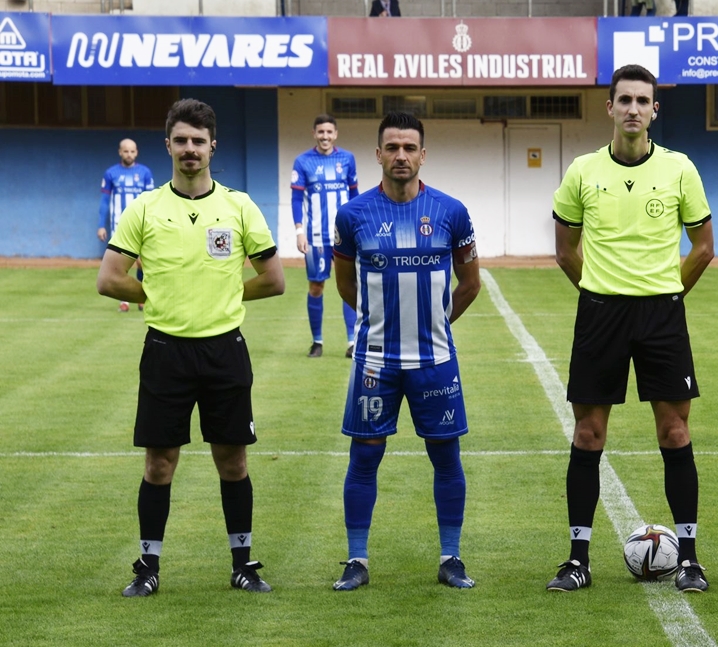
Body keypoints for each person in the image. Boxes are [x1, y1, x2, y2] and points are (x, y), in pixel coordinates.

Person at [97, 98, 286, 597]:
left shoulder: (239, 206)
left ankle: (243, 565)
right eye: (181, 140)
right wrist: (154, 296)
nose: (189, 149)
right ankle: (148, 567)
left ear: (212, 146)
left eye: (198, 141)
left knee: (234, 461)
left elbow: (273, 279)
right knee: (159, 462)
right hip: (166, 352)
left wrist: (222, 294)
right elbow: (110, 279)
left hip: (225, 351)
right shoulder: (145, 208)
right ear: (168, 146)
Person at [548, 64, 715, 593]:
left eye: (643, 101)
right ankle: (578, 560)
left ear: (654, 110)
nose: (634, 109)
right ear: (610, 108)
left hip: (661, 314)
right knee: (588, 432)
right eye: (625, 100)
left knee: (675, 431)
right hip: (601, 313)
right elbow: (565, 249)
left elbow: (704, 247)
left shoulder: (680, 169)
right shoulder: (581, 171)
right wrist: (599, 289)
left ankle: (689, 558)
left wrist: (667, 292)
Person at [329, 112, 481, 592]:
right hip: (375, 362)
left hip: (435, 360)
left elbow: (470, 283)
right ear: (377, 154)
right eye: (391, 147)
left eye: (409, 148)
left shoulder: (452, 212)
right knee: (365, 456)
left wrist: (433, 323)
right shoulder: (353, 215)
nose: (400, 156)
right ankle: (357, 560)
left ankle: (451, 557)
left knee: (445, 455)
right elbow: (345, 284)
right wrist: (382, 323)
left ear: (422, 154)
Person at [292, 114, 359, 358]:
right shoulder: (302, 162)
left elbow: (355, 196)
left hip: (344, 236)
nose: (325, 137)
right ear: (314, 134)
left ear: (335, 134)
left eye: (329, 132)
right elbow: (297, 198)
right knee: (316, 286)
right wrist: (299, 231)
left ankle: (352, 342)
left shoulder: (347, 159)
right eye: (321, 132)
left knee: (348, 286)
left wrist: (357, 228)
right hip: (316, 237)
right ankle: (317, 342)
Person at [98, 139, 154, 312]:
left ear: (136, 152)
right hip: (118, 226)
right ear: (120, 152)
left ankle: (141, 297)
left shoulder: (145, 173)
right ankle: (124, 301)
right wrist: (101, 225)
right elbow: (105, 200)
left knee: (142, 262)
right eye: (126, 151)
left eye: (132, 151)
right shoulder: (111, 173)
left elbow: (151, 200)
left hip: (142, 225)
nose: (129, 154)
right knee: (120, 265)